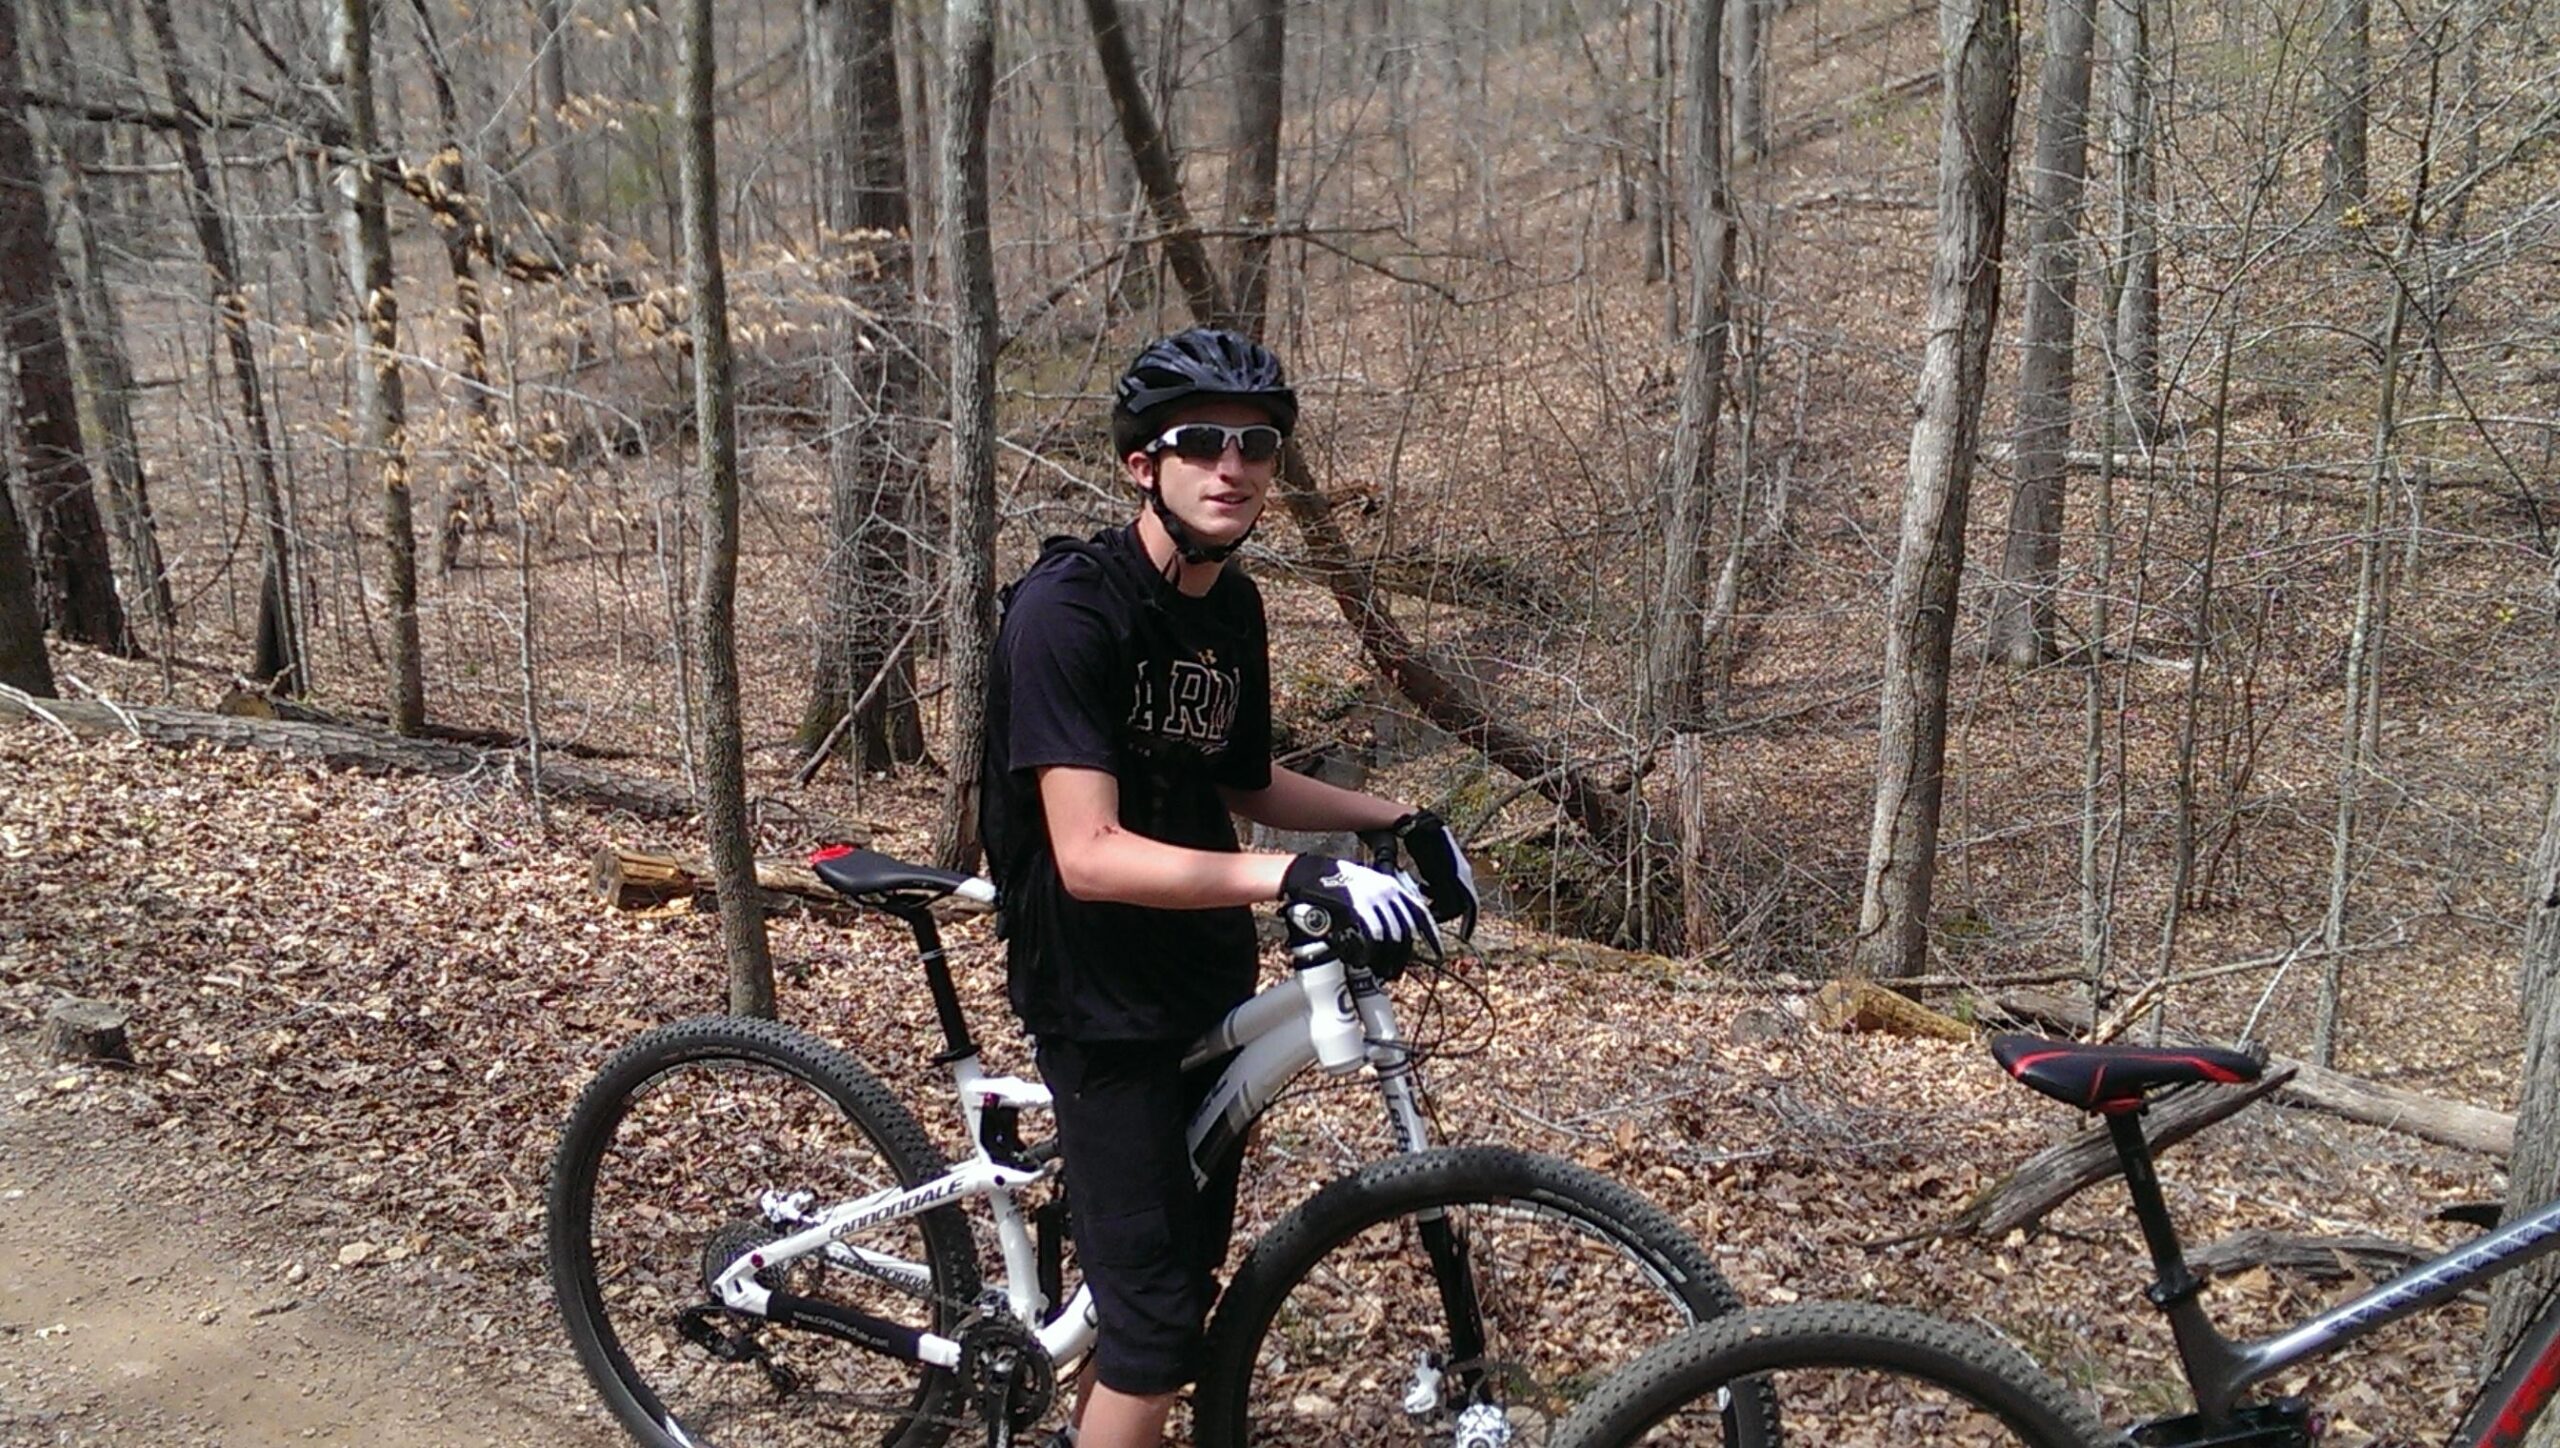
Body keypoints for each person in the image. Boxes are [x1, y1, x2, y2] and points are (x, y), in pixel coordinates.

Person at [977, 327, 1481, 1448]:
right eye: (1199, 439)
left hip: (1197, 972)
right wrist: (1291, 873)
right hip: (1096, 994)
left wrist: (1390, 818)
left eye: (1255, 444)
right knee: (1157, 1331)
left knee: (1161, 1290)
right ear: (1139, 463)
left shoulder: (1230, 609)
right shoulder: (1070, 610)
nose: (1230, 465)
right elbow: (1089, 850)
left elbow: (1244, 777)